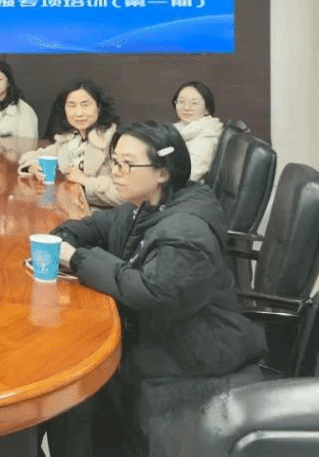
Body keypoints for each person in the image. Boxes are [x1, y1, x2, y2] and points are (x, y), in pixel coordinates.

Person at [44, 122, 266, 456]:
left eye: (127, 165)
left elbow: (151, 291)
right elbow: (101, 225)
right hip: (162, 330)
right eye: (114, 162)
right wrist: (66, 236)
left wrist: (77, 259)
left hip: (191, 348)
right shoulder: (147, 204)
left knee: (71, 386)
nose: (116, 172)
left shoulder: (186, 231)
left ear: (162, 173)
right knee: (68, 372)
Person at [18, 78, 123, 208]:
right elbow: (32, 156)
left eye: (85, 105)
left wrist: (85, 181)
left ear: (99, 108)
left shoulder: (116, 142)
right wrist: (33, 167)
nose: (78, 113)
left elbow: (125, 195)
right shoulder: (70, 140)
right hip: (70, 208)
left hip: (104, 215)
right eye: (72, 106)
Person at [172, 80, 223, 181]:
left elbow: (188, 177)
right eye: (181, 102)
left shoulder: (206, 138)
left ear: (207, 109)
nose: (186, 108)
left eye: (194, 103)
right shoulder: (178, 130)